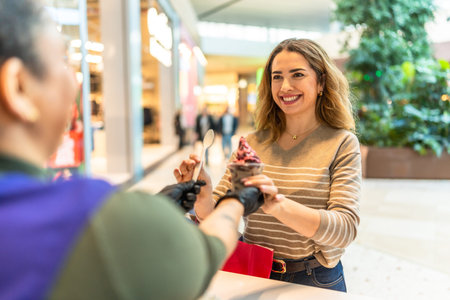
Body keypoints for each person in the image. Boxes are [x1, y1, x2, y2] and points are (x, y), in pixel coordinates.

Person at [0, 1, 264, 299]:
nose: (75, 82)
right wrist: (237, 199)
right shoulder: (91, 222)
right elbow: (207, 251)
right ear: (18, 86)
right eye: (63, 61)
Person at [176, 38, 361, 292]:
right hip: (253, 272)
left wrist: (278, 204)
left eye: (297, 75)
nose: (285, 86)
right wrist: (204, 195)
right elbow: (218, 216)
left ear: (321, 82)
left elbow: (345, 229)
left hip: (313, 279)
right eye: (276, 77)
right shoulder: (251, 143)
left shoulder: (341, 143)